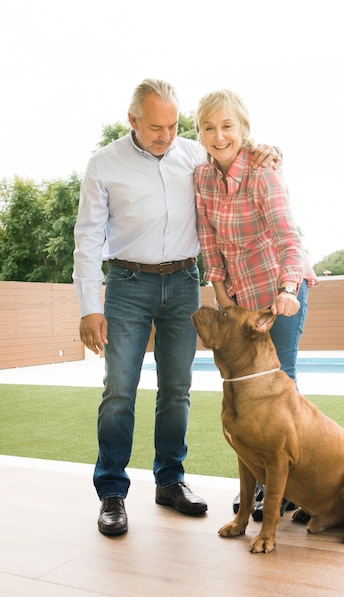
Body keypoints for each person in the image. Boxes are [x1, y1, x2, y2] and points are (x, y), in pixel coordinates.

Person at [73, 78, 280, 536]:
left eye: (171, 125)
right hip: (127, 283)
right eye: (154, 127)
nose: (165, 135)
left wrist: (266, 149)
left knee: (177, 389)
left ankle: (170, 480)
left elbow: (235, 156)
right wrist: (91, 306)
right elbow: (87, 238)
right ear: (132, 121)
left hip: (185, 282)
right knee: (120, 388)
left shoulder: (193, 154)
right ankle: (112, 491)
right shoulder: (104, 164)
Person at [193, 88, 318, 520]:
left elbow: (288, 237)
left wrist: (286, 289)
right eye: (209, 127)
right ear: (200, 133)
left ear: (243, 129)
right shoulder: (201, 178)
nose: (219, 134)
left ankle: (289, 486)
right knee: (246, 394)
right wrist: (221, 293)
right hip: (241, 300)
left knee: (280, 389)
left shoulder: (264, 171)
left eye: (227, 126)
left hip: (280, 291)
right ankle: (264, 482)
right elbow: (209, 242)